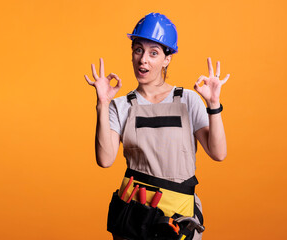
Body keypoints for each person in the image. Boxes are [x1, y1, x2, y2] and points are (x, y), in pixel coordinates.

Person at [84, 12, 229, 240]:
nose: (144, 60)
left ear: (167, 59)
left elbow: (218, 153)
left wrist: (213, 105)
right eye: (138, 49)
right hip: (134, 216)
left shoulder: (188, 100)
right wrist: (102, 104)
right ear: (132, 53)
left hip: (178, 215)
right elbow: (105, 160)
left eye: (154, 53)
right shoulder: (120, 106)